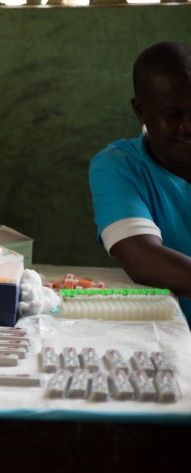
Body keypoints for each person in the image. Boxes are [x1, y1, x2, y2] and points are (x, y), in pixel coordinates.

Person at [88, 40, 191, 323]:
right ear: (140, 110)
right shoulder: (118, 166)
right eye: (172, 115)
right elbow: (142, 259)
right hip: (173, 334)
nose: (189, 125)